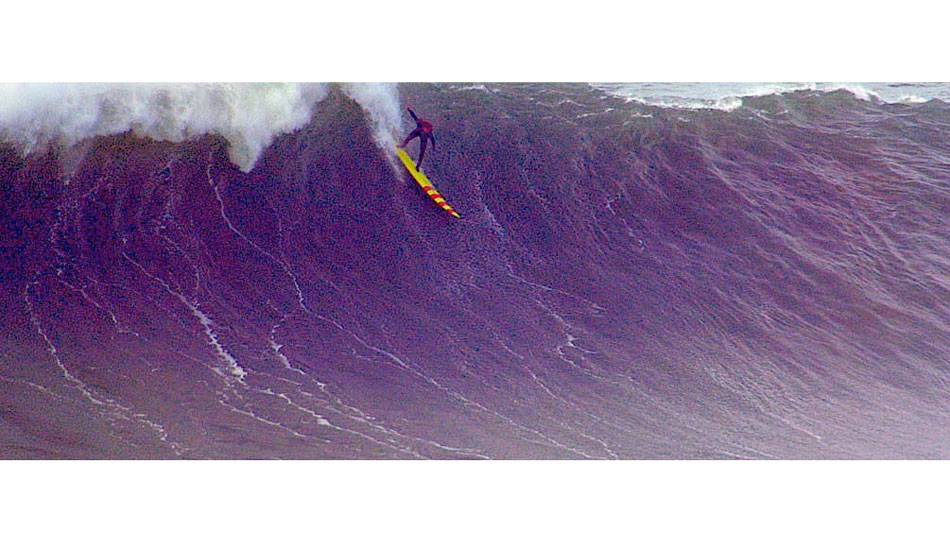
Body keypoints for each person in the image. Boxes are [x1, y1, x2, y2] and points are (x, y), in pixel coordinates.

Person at [399, 106, 436, 170]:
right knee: (408, 138)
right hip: (417, 131)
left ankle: (418, 166)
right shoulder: (420, 124)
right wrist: (409, 110)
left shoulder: (428, 133)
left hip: (423, 137)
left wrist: (433, 147)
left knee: (422, 152)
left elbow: (432, 139)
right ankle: (402, 145)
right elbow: (414, 116)